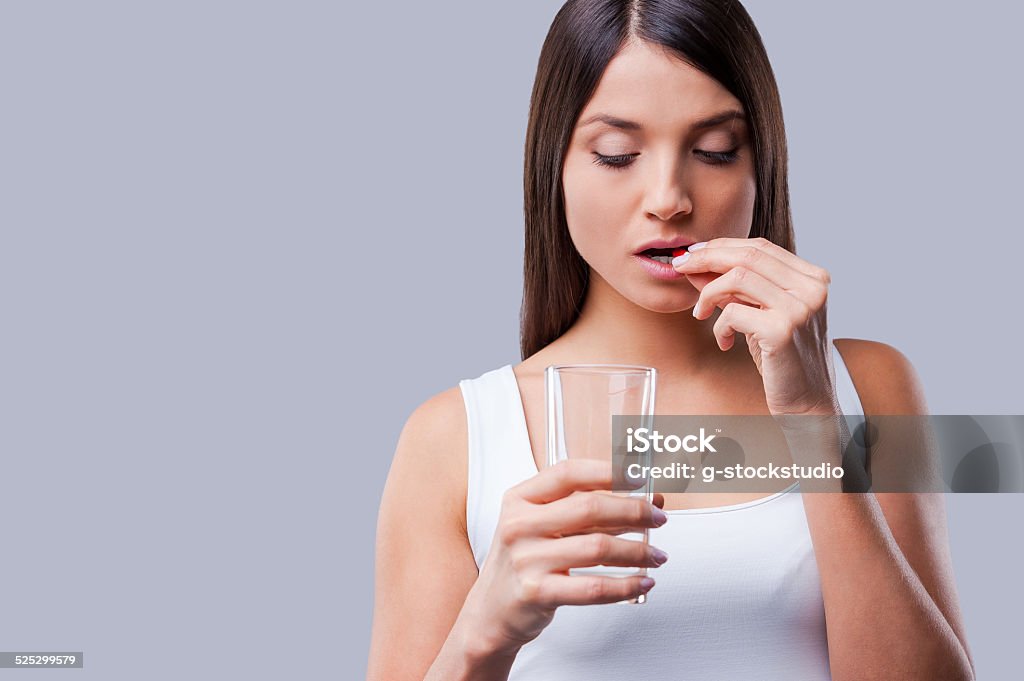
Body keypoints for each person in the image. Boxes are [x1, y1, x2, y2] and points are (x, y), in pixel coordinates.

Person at [367, 1, 975, 679]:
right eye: (617, 154)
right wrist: (482, 633)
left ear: (761, 165)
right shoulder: (456, 437)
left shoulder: (870, 385)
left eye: (714, 150)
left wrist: (813, 424)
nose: (668, 197)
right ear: (555, 166)